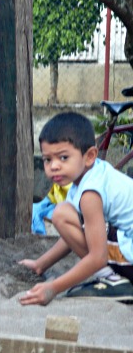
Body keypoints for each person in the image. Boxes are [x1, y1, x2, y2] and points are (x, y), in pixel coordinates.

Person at [19, 111, 133, 306]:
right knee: (64, 214)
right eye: (48, 159)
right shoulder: (91, 174)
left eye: (63, 158)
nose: (54, 166)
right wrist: (41, 264)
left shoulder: (90, 192)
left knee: (61, 213)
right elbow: (76, 233)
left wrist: (52, 288)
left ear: (89, 156)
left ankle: (113, 280)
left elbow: (97, 257)